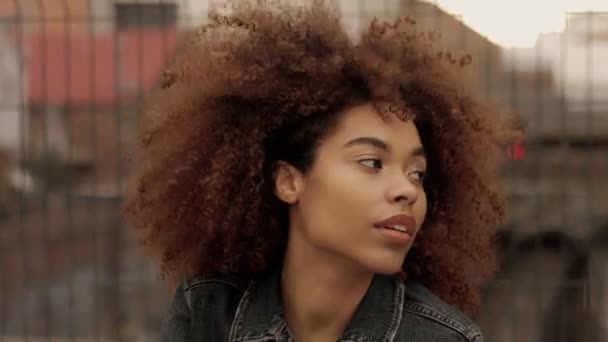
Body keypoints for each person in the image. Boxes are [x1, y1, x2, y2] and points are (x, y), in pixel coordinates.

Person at [123, 1, 519, 341]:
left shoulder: (443, 337)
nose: (407, 190)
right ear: (288, 181)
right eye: (372, 162)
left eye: (417, 172)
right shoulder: (208, 312)